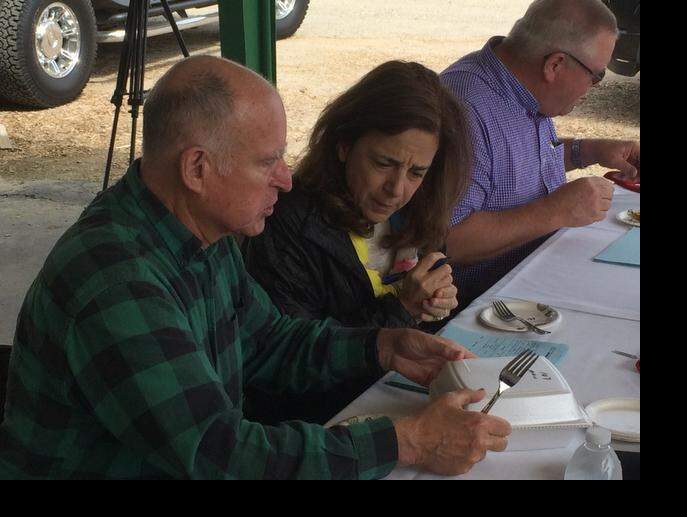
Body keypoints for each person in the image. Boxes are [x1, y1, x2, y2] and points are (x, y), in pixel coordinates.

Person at [0, 56, 509, 480]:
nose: (286, 180)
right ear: (197, 168)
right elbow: (218, 453)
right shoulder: (116, 280)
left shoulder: (203, 232)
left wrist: (381, 345)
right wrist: (407, 443)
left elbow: (267, 340)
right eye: (267, 162)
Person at [242, 60, 471, 424]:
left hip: (396, 394)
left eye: (416, 172)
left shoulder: (419, 209)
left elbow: (424, 292)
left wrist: (435, 300)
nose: (396, 189)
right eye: (383, 163)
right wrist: (402, 309)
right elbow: (289, 365)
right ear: (344, 145)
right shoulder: (287, 225)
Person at [441, 0, 641, 310]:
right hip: (481, 308)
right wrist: (556, 211)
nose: (594, 87)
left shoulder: (520, 84)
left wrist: (588, 150)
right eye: (596, 76)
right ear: (555, 65)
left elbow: (508, 167)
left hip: (531, 278)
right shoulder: (465, 109)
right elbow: (448, 242)